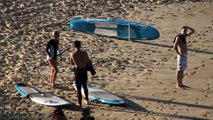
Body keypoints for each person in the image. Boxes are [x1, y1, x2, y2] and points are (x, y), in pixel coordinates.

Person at [70, 40, 91, 107]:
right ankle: (87, 100)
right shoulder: (85, 53)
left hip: (78, 70)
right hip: (84, 70)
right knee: (85, 86)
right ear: (80, 45)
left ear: (74, 46)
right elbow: (88, 61)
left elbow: (72, 63)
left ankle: (79, 102)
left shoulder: (73, 54)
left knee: (78, 88)